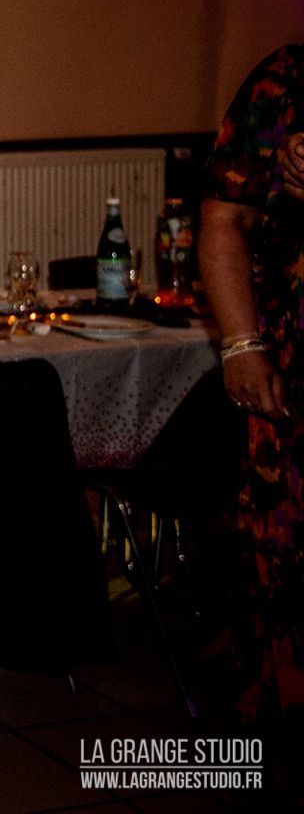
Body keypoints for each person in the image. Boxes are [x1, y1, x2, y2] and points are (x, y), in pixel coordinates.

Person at [200, 43, 304, 800]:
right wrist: (240, 342)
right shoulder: (284, 81)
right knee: (283, 564)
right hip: (290, 373)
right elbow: (224, 218)